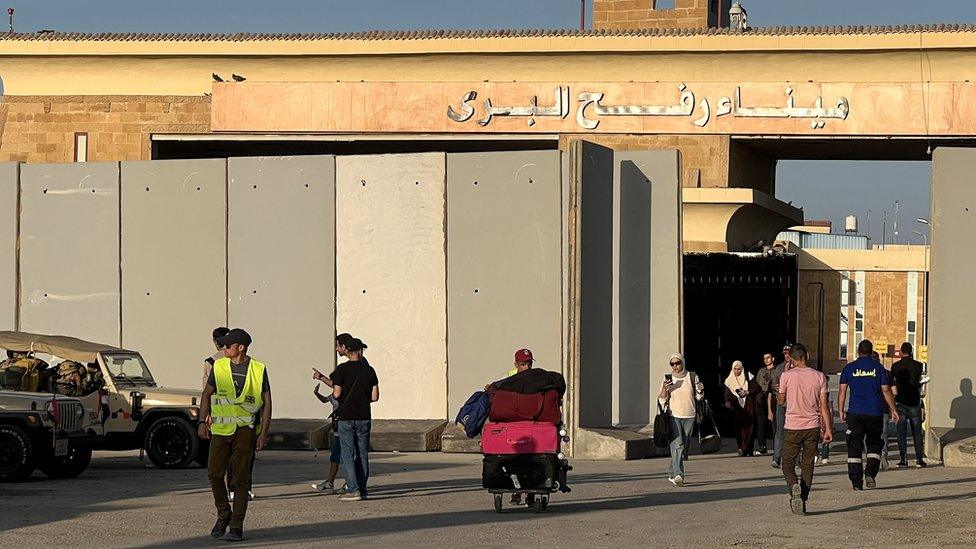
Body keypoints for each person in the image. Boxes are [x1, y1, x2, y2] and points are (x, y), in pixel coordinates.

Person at [198, 328, 272, 542]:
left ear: (241, 347)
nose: (224, 348)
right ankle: (224, 513)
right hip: (220, 431)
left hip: (245, 432)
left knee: (241, 479)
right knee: (214, 473)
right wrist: (202, 420)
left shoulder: (258, 369)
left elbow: (267, 402)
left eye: (227, 345)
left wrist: (264, 433)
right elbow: (207, 393)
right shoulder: (219, 365)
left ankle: (237, 526)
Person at [778, 343, 833, 515]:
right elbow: (823, 406)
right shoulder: (819, 376)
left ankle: (793, 485)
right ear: (807, 355)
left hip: (793, 426)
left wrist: (783, 396)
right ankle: (803, 497)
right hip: (813, 426)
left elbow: (780, 401)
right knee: (808, 464)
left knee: (787, 462)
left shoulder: (786, 376)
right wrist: (828, 429)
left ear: (791, 359)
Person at [839, 340, 900, 491]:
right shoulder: (878, 368)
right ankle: (870, 474)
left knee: (855, 446)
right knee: (874, 444)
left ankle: (856, 482)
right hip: (874, 413)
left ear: (858, 351)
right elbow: (886, 390)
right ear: (871, 351)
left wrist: (841, 409)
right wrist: (894, 409)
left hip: (855, 413)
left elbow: (842, 391)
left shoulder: (849, 368)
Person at [332, 337, 379, 501]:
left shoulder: (342, 370)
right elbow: (374, 397)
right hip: (364, 417)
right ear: (360, 351)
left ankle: (353, 489)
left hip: (346, 417)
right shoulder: (369, 370)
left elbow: (337, 394)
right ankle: (363, 488)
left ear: (348, 350)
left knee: (347, 453)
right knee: (362, 453)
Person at [658, 353, 705, 487]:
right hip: (674, 415)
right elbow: (661, 400)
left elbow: (699, 398)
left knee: (684, 446)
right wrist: (665, 389)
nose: (675, 366)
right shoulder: (667, 379)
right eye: (672, 364)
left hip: (690, 415)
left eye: (677, 363)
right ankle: (679, 475)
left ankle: (672, 473)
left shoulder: (692, 376)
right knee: (677, 444)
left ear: (682, 362)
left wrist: (701, 390)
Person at [891, 342, 927, 468]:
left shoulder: (895, 367)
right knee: (916, 431)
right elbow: (917, 382)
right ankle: (919, 459)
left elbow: (893, 385)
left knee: (901, 432)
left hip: (900, 402)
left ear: (901, 351)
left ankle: (903, 459)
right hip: (914, 402)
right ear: (911, 351)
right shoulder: (918, 365)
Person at [723, 360, 759, 457]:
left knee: (749, 427)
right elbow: (727, 393)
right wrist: (728, 402)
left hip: (748, 405)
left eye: (739, 369)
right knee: (738, 427)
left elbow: (756, 388)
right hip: (736, 407)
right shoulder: (729, 380)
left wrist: (747, 392)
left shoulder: (749, 376)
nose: (737, 371)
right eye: (735, 369)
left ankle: (748, 448)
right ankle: (741, 447)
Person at [770, 344, 794, 468]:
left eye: (789, 353)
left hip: (795, 404)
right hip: (782, 403)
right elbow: (774, 385)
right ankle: (777, 457)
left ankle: (795, 459)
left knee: (795, 432)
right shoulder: (779, 368)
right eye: (785, 353)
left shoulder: (797, 368)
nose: (787, 355)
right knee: (780, 431)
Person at [754, 352, 777, 456]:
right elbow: (757, 384)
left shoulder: (776, 370)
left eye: (768, 358)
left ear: (773, 358)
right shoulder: (761, 371)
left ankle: (777, 447)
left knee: (774, 425)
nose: (766, 360)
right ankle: (762, 446)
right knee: (761, 425)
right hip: (762, 398)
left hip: (773, 398)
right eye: (764, 358)